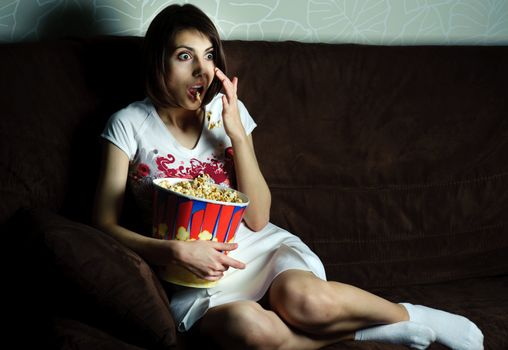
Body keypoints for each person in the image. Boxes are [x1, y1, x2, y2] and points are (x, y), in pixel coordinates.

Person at [93, 4, 484, 350]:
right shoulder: (129, 125)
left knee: (308, 302)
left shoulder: (228, 114)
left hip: (256, 249)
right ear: (158, 62)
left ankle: (410, 315)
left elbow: (258, 217)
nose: (202, 70)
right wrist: (175, 251)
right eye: (184, 56)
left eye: (209, 56)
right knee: (251, 331)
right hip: (192, 276)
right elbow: (103, 223)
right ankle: (362, 332)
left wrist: (236, 134)